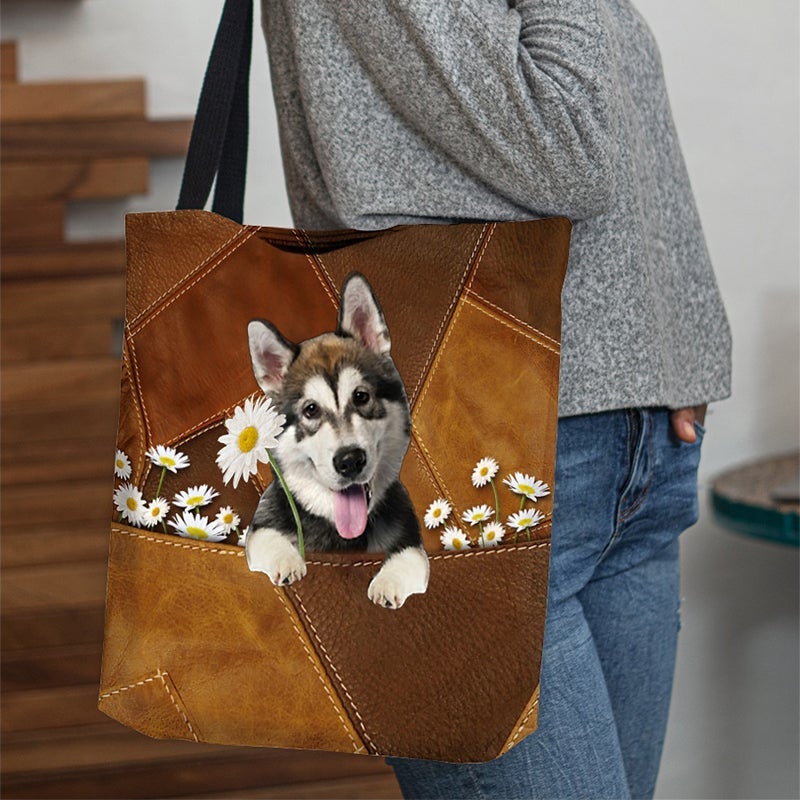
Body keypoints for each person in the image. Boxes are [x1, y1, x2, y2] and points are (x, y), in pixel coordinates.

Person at [259, 1, 732, 797]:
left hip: (631, 456)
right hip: (482, 464)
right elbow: (570, 147)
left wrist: (670, 345)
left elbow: (619, 114)